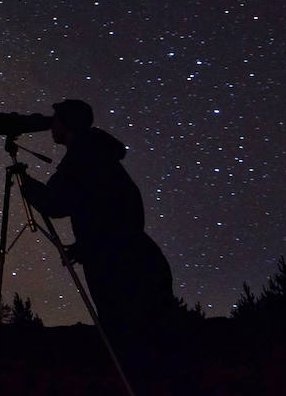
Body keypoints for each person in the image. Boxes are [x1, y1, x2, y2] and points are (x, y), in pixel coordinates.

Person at [18, 100, 175, 360]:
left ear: (69, 124)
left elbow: (56, 203)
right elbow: (111, 211)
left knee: (132, 350)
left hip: (117, 270)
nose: (51, 125)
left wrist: (25, 183)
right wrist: (84, 246)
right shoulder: (100, 154)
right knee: (157, 350)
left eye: (55, 120)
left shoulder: (81, 156)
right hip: (142, 260)